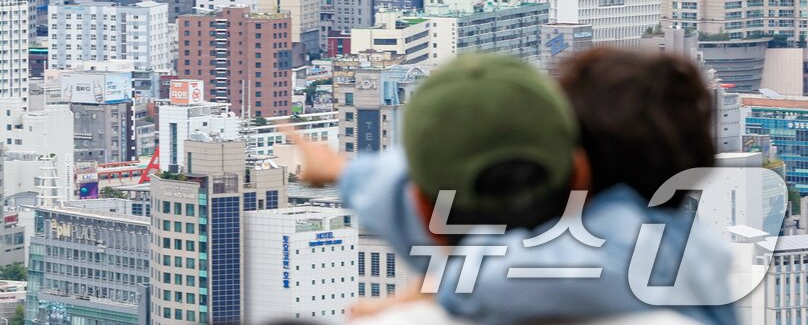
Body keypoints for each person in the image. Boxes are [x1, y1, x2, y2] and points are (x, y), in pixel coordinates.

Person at [288, 50, 733, 325]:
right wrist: (341, 171)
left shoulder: (636, 250)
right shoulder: (659, 236)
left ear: (577, 165)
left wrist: (435, 284)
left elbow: (500, 273)